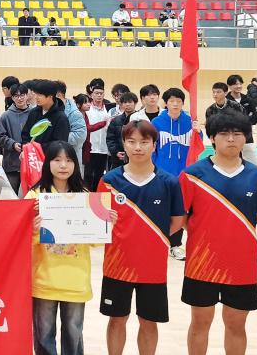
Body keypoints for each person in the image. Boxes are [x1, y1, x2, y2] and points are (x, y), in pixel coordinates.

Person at [180, 111, 257, 355]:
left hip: (241, 265)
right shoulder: (192, 175)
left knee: (236, 324)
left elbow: (256, 216)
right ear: (212, 138)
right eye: (224, 134)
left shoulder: (256, 176)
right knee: (200, 323)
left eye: (237, 134)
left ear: (245, 138)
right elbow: (183, 218)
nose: (231, 139)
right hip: (201, 264)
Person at [98, 120, 186, 355]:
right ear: (124, 144)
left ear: (154, 145)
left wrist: (152, 236)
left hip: (152, 266)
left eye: (144, 142)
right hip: (117, 265)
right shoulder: (109, 181)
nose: (138, 147)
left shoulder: (169, 182)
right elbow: (97, 220)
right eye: (132, 141)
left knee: (149, 321)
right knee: (117, 319)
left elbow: (178, 220)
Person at [28, 140, 117, 355]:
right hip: (44, 280)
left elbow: (95, 241)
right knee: (43, 336)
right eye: (57, 160)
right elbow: (22, 242)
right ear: (47, 163)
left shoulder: (85, 195)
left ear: (76, 164)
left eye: (69, 160)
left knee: (73, 334)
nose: (63, 165)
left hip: (75, 281)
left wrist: (107, 225)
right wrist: (33, 229)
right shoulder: (34, 197)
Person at [152, 87, 197, 260]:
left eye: (179, 101)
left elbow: (197, 147)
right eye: (172, 101)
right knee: (160, 209)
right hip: (162, 174)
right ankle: (158, 241)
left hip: (184, 175)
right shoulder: (157, 122)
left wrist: (198, 132)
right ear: (166, 103)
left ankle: (176, 245)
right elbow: (152, 148)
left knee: (180, 210)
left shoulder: (190, 122)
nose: (175, 104)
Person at [0, 83, 31, 194]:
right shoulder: (6, 116)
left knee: (29, 195)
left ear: (27, 95)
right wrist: (12, 144)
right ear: (12, 98)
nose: (19, 98)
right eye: (16, 96)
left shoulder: (34, 114)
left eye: (22, 95)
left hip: (30, 164)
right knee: (10, 194)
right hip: (11, 164)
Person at [21, 80, 71, 152]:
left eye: (39, 95)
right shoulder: (33, 112)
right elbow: (25, 134)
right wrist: (26, 148)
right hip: (31, 155)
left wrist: (37, 148)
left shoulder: (61, 118)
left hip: (49, 157)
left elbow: (60, 144)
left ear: (50, 96)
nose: (36, 97)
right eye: (35, 94)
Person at [84, 84, 112, 191]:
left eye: (101, 93)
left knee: (99, 175)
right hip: (90, 148)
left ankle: (97, 195)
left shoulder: (108, 110)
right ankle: (87, 194)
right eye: (96, 93)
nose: (99, 95)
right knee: (88, 174)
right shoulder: (87, 109)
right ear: (91, 95)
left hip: (104, 149)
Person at [105, 92, 139, 168]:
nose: (127, 105)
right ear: (121, 104)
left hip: (136, 156)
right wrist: (116, 152)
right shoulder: (115, 120)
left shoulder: (140, 119)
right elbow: (110, 139)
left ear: (135, 103)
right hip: (118, 159)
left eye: (130, 102)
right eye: (125, 102)